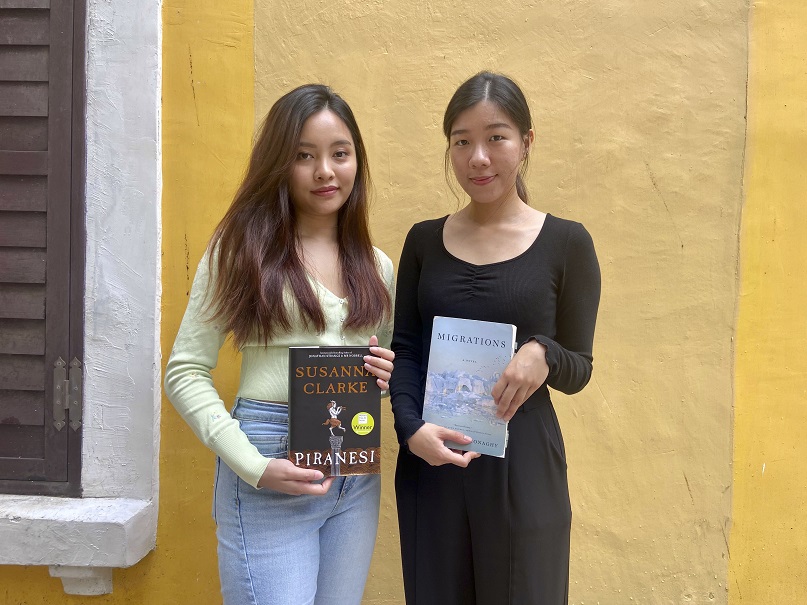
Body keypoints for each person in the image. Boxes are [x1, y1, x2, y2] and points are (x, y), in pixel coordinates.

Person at [164, 84, 395, 605]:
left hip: (353, 473)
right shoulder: (240, 251)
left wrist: (383, 377)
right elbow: (184, 371)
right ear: (278, 163)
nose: (325, 172)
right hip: (268, 459)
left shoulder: (376, 266)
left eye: (340, 154)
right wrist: (253, 464)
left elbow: (376, 381)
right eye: (303, 157)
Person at [389, 71, 601, 604]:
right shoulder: (422, 242)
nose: (478, 157)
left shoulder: (567, 243)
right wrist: (410, 430)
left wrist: (544, 352)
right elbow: (407, 350)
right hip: (432, 461)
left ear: (526, 143)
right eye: (462, 142)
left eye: (495, 137)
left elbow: (580, 366)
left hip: (523, 465)